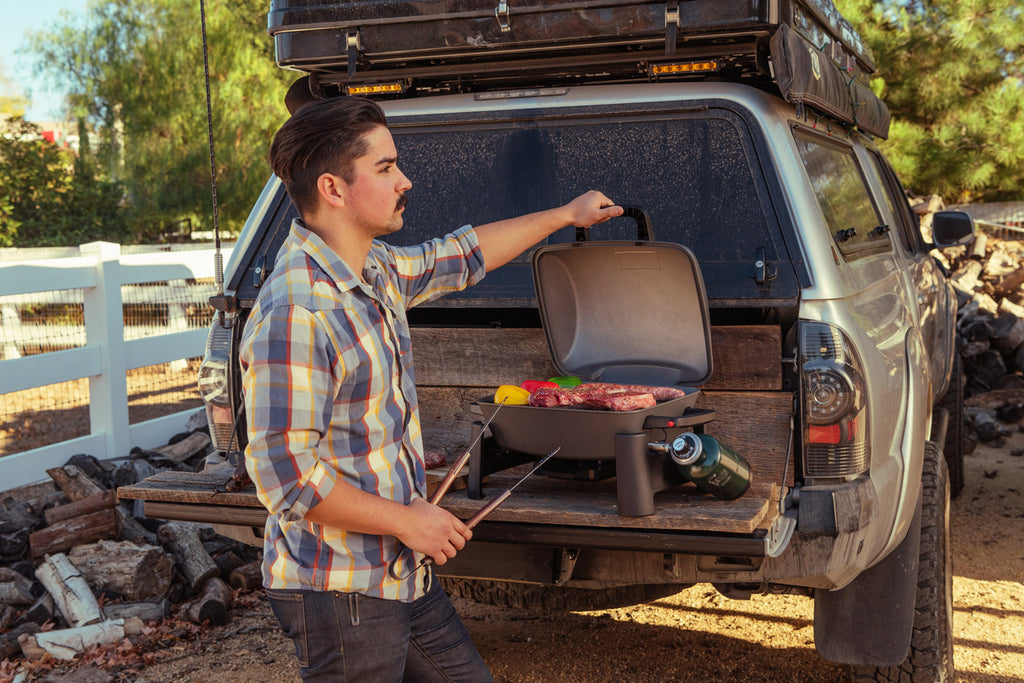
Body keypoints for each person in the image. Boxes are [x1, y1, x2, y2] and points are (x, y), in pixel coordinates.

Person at [240, 95, 621, 682]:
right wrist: (404, 520)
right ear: (334, 189)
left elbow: (462, 255)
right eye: (387, 168)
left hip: (400, 572)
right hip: (341, 588)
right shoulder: (298, 310)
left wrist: (564, 215)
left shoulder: (375, 270)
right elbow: (285, 476)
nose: (405, 181)